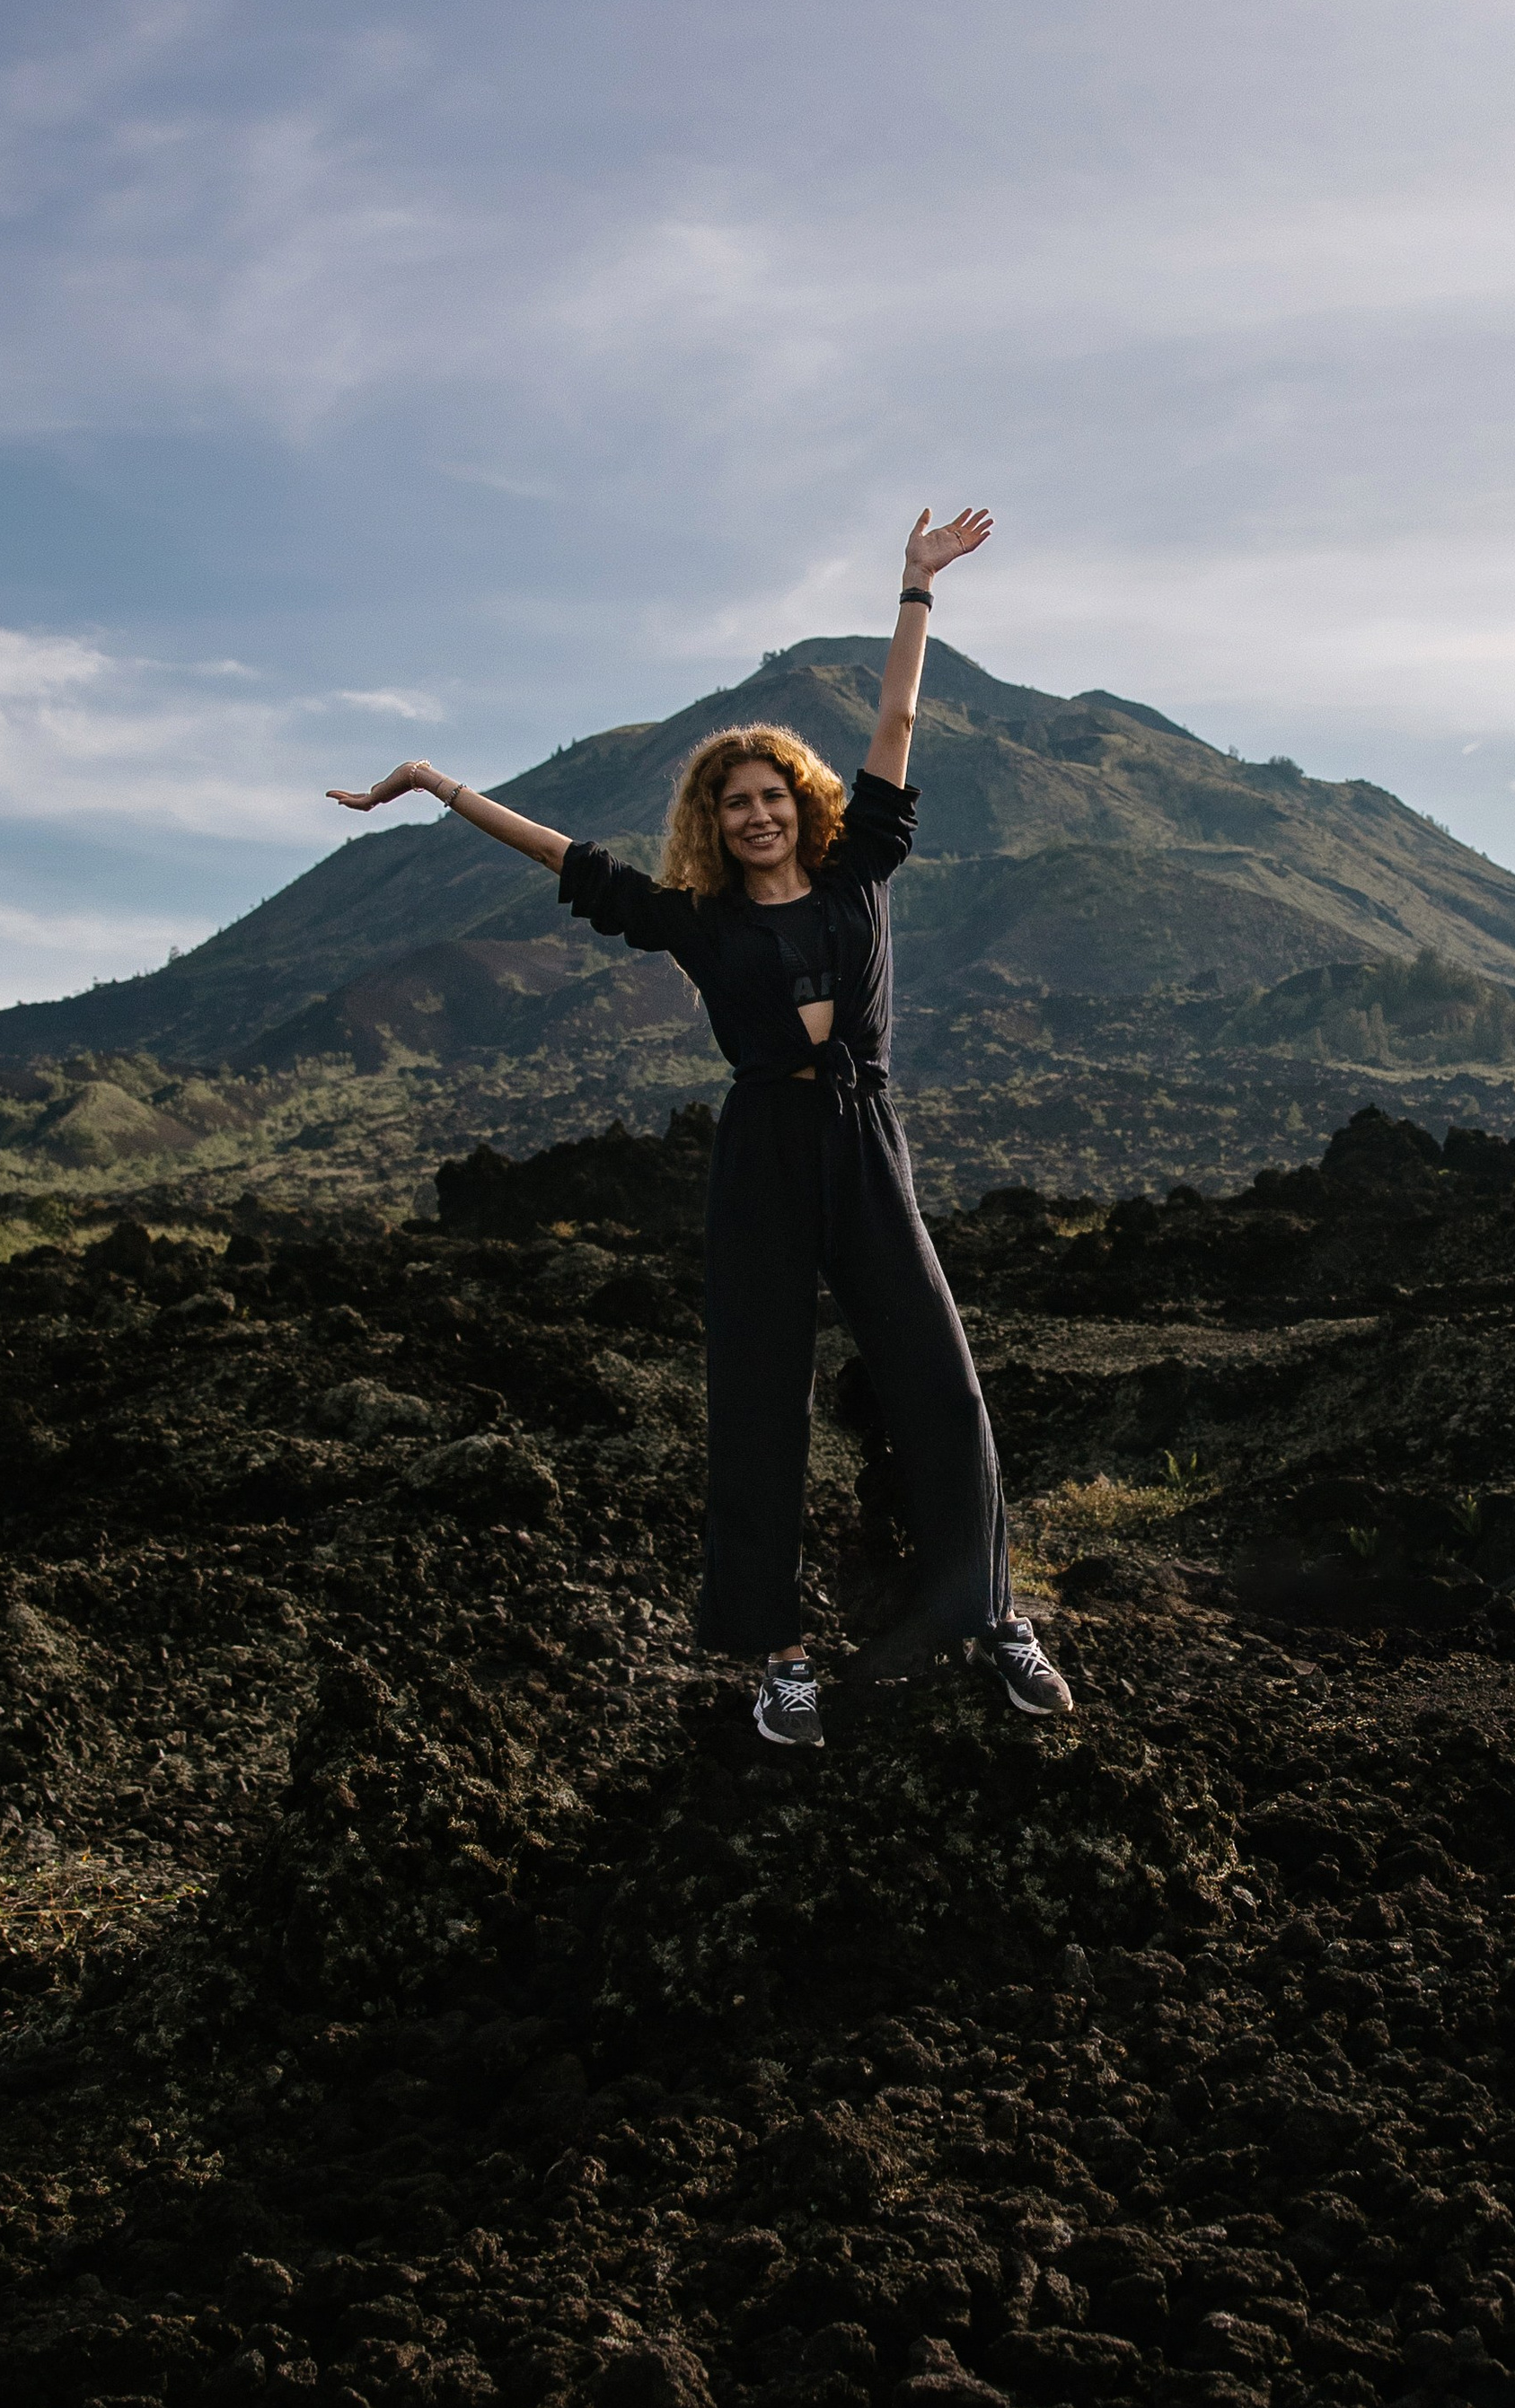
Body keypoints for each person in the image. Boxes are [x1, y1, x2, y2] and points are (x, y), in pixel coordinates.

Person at [329, 508, 1072, 1752]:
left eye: (772, 794)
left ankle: (993, 1618)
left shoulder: (860, 873)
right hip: (763, 1160)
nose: (757, 816)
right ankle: (781, 1660)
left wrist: (915, 589)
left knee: (941, 1387)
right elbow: (573, 863)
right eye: (734, 804)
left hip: (866, 1144)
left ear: (804, 800)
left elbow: (894, 727)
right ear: (713, 823)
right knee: (756, 1406)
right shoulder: (697, 923)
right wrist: (437, 786)